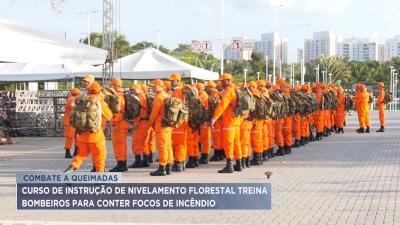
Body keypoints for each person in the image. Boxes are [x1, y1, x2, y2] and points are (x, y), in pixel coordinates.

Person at [64, 82, 113, 172]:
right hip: (96, 135)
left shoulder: (81, 100)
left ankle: (71, 168)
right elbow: (109, 116)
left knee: (81, 154)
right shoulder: (99, 102)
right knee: (99, 157)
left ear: (88, 90)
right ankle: (100, 179)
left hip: (82, 135)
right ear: (99, 91)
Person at [211, 73, 242, 173]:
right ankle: (239, 164)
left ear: (228, 80)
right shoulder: (236, 89)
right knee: (237, 143)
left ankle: (229, 166)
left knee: (228, 143)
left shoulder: (229, 90)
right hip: (236, 121)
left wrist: (214, 118)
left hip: (230, 121)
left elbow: (222, 105)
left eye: (223, 81)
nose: (221, 83)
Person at [148, 79, 174, 176]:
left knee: (162, 147)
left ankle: (162, 167)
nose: (152, 88)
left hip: (161, 126)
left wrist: (150, 123)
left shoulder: (159, 97)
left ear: (159, 86)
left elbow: (154, 113)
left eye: (154, 86)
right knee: (168, 146)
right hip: (167, 125)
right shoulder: (166, 95)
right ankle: (168, 167)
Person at [109, 78, 130, 172]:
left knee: (118, 144)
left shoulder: (118, 96)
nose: (111, 86)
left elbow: (117, 112)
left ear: (116, 85)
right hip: (123, 123)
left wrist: (115, 123)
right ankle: (123, 164)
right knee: (123, 144)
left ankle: (120, 164)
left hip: (118, 124)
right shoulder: (123, 95)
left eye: (112, 85)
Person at [129, 83, 153, 168]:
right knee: (144, 142)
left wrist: (136, 123)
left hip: (141, 122)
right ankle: (145, 160)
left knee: (136, 142)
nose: (133, 91)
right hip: (145, 122)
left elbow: (139, 112)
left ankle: (138, 161)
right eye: (132, 89)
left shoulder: (139, 97)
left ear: (139, 89)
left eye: (134, 89)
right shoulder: (143, 96)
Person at [169, 73, 188, 172]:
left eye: (173, 80)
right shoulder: (176, 91)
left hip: (180, 120)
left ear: (178, 81)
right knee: (179, 142)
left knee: (179, 143)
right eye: (171, 80)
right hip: (179, 120)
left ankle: (179, 163)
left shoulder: (180, 90)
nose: (171, 82)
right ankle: (181, 162)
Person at [63, 88, 81, 158]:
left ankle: (76, 151)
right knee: (70, 137)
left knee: (76, 136)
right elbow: (74, 108)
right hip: (70, 122)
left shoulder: (73, 99)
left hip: (74, 121)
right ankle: (67, 152)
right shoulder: (72, 100)